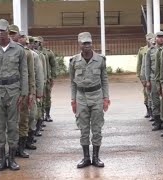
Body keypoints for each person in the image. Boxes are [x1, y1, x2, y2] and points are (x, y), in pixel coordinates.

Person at [0, 19, 28, 171]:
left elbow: (24, 72)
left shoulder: (18, 50)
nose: (1, 33)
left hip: (14, 91)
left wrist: (24, 93)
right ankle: (1, 160)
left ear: (8, 31)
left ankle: (12, 158)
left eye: (3, 30)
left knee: (13, 125)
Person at [70, 32, 110, 168]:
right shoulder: (74, 61)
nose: (87, 46)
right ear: (79, 44)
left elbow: (105, 80)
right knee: (83, 128)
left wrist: (106, 98)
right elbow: (72, 82)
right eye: (84, 43)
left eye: (89, 43)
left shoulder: (100, 60)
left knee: (97, 127)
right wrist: (73, 100)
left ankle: (96, 157)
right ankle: (86, 157)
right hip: (81, 97)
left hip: (97, 95)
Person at [8, 25, 36, 158]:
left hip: (22, 91)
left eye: (14, 34)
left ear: (18, 36)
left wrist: (31, 92)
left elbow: (30, 74)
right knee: (9, 121)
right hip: (7, 92)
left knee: (24, 119)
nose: (11, 36)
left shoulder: (26, 52)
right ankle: (11, 149)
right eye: (9, 34)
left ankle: (21, 147)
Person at [145, 31, 163, 131]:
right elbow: (147, 66)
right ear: (155, 38)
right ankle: (157, 122)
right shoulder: (150, 51)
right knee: (155, 100)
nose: (161, 39)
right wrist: (147, 80)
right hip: (153, 78)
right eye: (159, 37)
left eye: (162, 37)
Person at [137, 33, 154, 118]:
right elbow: (139, 64)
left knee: (153, 95)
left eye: (151, 38)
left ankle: (153, 112)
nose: (150, 40)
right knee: (146, 94)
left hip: (153, 75)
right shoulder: (142, 50)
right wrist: (140, 76)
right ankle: (148, 110)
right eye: (148, 38)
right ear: (146, 39)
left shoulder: (155, 49)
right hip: (145, 75)